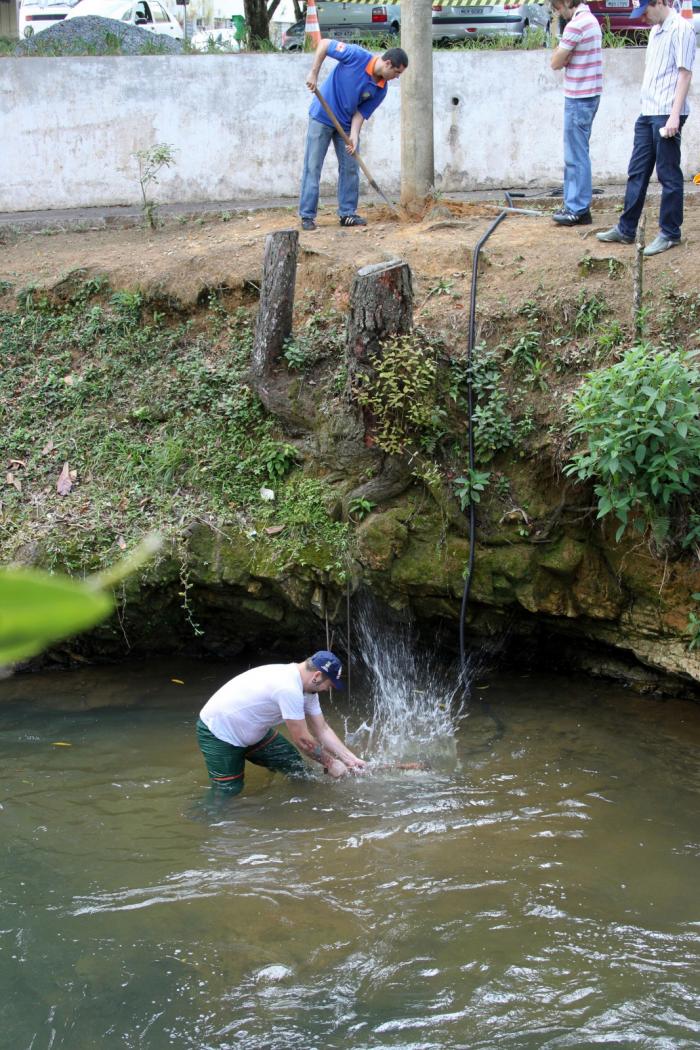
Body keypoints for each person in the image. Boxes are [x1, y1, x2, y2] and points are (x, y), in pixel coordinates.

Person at [597, 0, 695, 256]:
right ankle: (626, 228)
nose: (643, 18)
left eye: (646, 11)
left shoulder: (681, 29)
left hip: (666, 113)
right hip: (648, 111)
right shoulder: (656, 31)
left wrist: (674, 116)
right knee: (637, 171)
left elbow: (684, 74)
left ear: (660, 2)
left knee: (668, 174)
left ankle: (670, 233)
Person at [196, 650, 366, 795]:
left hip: (254, 731)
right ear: (317, 676)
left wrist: (350, 760)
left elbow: (322, 729)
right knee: (228, 791)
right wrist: (330, 763)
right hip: (220, 732)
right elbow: (302, 740)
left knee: (297, 768)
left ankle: (301, 807)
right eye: (329, 684)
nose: (328, 689)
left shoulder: (308, 690)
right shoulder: (288, 688)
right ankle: (206, 822)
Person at [299, 40, 408, 232]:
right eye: (397, 73)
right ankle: (307, 216)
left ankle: (347, 214)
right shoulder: (356, 55)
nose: (397, 77)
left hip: (347, 125)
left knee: (351, 168)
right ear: (388, 63)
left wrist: (354, 135)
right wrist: (313, 73)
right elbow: (324, 44)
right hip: (322, 117)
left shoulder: (381, 89)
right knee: (313, 166)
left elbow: (360, 114)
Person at [549, 0, 603, 227]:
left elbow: (555, 62)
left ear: (566, 3)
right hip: (590, 96)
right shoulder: (591, 21)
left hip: (578, 97)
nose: (558, 13)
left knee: (575, 155)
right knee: (578, 152)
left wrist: (564, 55)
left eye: (558, 8)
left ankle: (577, 208)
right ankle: (574, 204)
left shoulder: (576, 25)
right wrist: (565, 55)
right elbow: (562, 58)